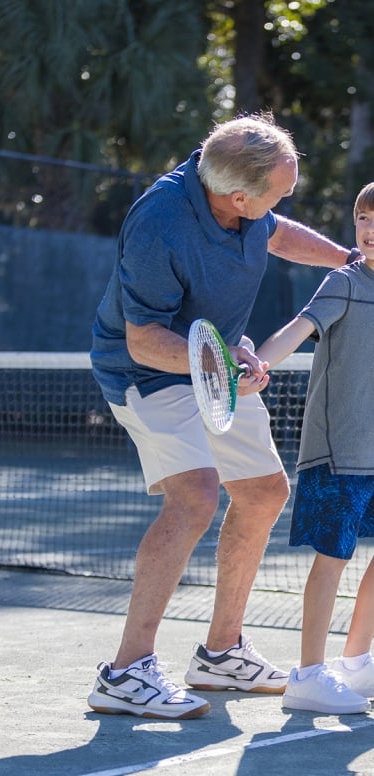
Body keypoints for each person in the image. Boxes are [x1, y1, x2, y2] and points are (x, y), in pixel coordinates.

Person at [88, 111, 361, 720]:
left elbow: (278, 232)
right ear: (237, 194)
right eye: (279, 190)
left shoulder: (241, 200)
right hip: (147, 370)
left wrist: (352, 262)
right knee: (194, 497)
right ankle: (125, 672)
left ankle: (220, 653)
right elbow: (143, 340)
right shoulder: (160, 224)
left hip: (213, 365)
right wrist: (220, 359)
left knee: (264, 493)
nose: (286, 197)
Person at [256, 181, 374, 714]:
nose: (369, 231)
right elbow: (296, 329)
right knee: (333, 559)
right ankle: (307, 675)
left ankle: (356, 663)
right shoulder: (343, 283)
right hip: (339, 452)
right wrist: (259, 362)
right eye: (364, 220)